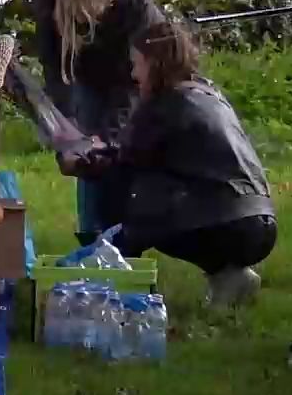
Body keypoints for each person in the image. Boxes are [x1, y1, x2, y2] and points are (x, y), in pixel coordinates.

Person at [62, 18, 272, 306]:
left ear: (154, 63)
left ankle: (108, 276)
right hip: (259, 221)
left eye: (137, 64)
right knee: (167, 191)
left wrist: (81, 162)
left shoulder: (164, 103)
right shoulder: (209, 93)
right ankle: (230, 277)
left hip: (226, 224)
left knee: (135, 200)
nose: (134, 74)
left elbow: (126, 166)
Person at [31, 0, 155, 247]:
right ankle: (92, 241)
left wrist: (109, 136)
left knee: (118, 152)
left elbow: (132, 84)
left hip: (129, 73)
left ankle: (122, 241)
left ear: (109, 3)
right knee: (85, 154)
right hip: (81, 71)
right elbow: (51, 63)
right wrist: (65, 124)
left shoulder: (136, 0)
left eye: (89, 18)